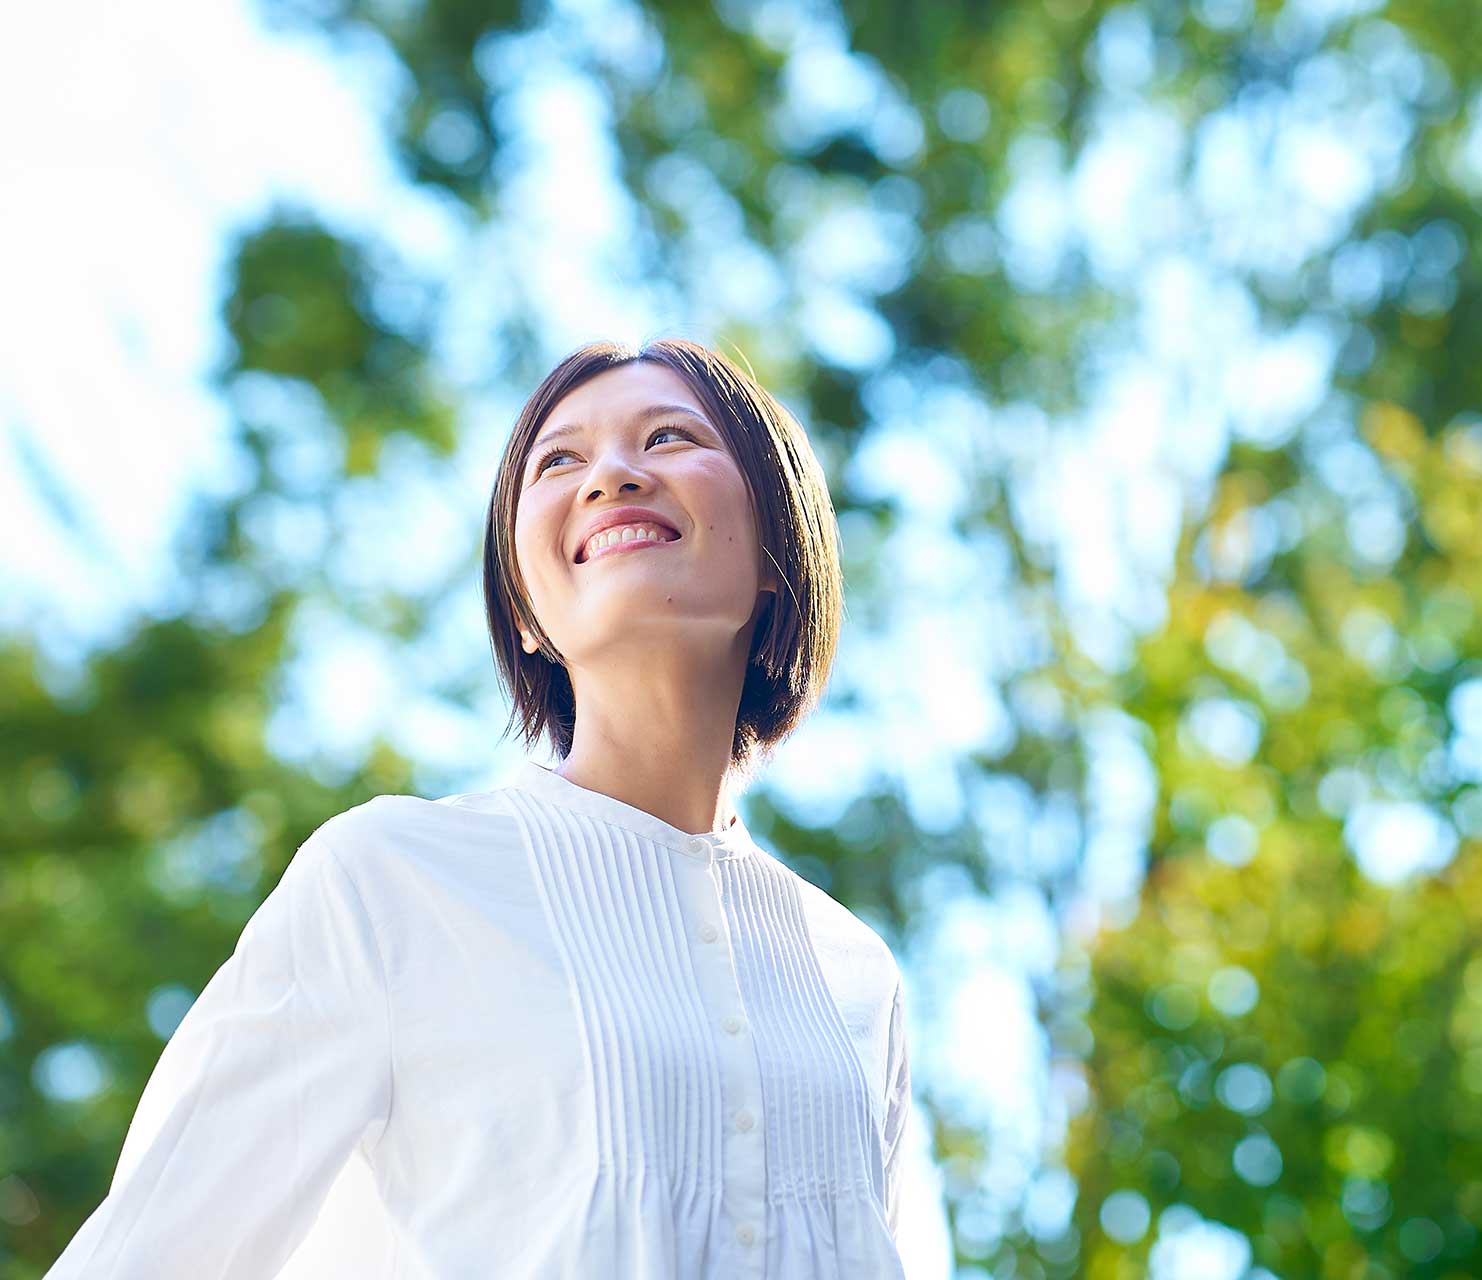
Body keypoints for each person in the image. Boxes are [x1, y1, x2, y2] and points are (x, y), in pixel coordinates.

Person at [45, 337, 914, 1278]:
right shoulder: (388, 880)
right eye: (559, 460)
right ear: (529, 611)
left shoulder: (856, 977)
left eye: (668, 437)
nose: (613, 474)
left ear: (778, 554)